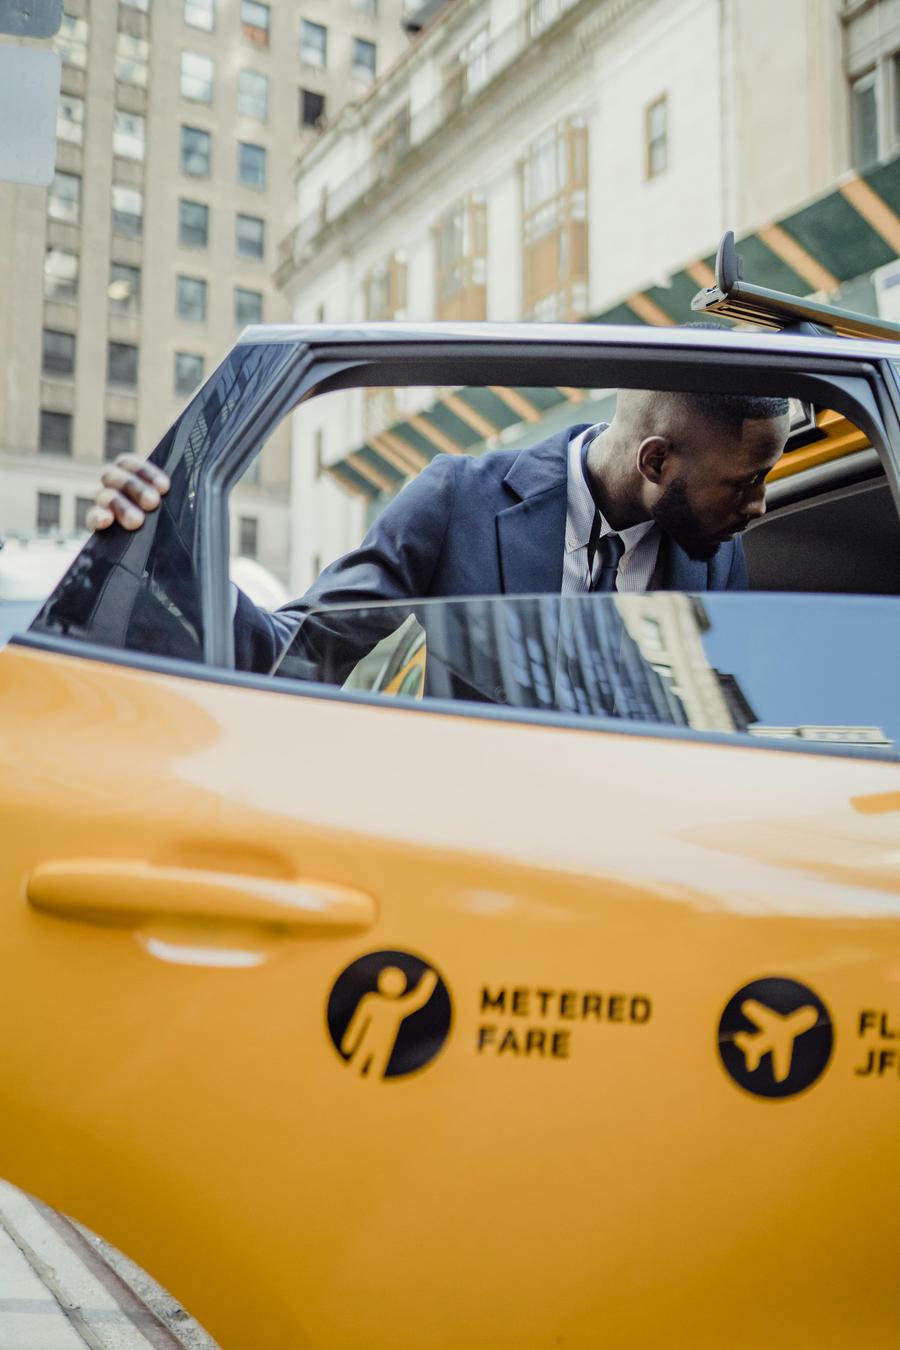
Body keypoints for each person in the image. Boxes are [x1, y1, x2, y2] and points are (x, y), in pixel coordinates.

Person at [86, 388, 791, 676]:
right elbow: (296, 653)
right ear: (656, 461)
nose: (758, 506)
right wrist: (163, 548)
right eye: (744, 483)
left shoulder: (717, 560)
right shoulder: (456, 500)